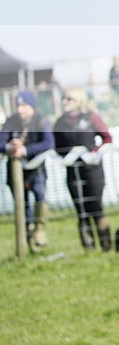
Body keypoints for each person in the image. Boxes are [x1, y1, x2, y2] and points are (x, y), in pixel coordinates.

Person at [53, 87, 114, 251]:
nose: (65, 102)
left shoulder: (91, 117)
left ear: (79, 101)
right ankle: (88, 247)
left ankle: (106, 245)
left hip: (92, 170)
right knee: (81, 210)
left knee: (96, 207)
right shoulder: (59, 122)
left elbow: (107, 138)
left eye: (69, 99)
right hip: (72, 171)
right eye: (64, 99)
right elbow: (56, 146)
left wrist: (94, 153)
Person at [0, 90, 55, 252]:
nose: (20, 109)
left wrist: (24, 150)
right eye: (18, 105)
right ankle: (27, 238)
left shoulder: (41, 120)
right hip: (15, 172)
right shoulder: (11, 122)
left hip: (36, 170)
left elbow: (48, 143)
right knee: (22, 205)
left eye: (24, 105)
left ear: (31, 106)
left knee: (40, 198)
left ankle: (39, 231)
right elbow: (1, 141)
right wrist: (10, 147)